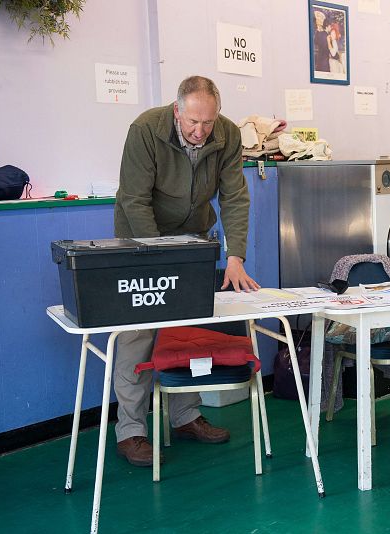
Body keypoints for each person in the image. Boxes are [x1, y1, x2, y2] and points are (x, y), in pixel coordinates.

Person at [112, 75, 260, 467]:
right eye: (193, 122)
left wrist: (235, 256)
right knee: (137, 332)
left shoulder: (226, 135)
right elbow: (135, 199)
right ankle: (131, 432)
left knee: (188, 328)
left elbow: (235, 197)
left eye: (208, 122)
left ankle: (185, 417)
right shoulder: (145, 129)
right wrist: (158, 256)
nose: (200, 131)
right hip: (140, 240)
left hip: (193, 235)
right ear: (177, 110)